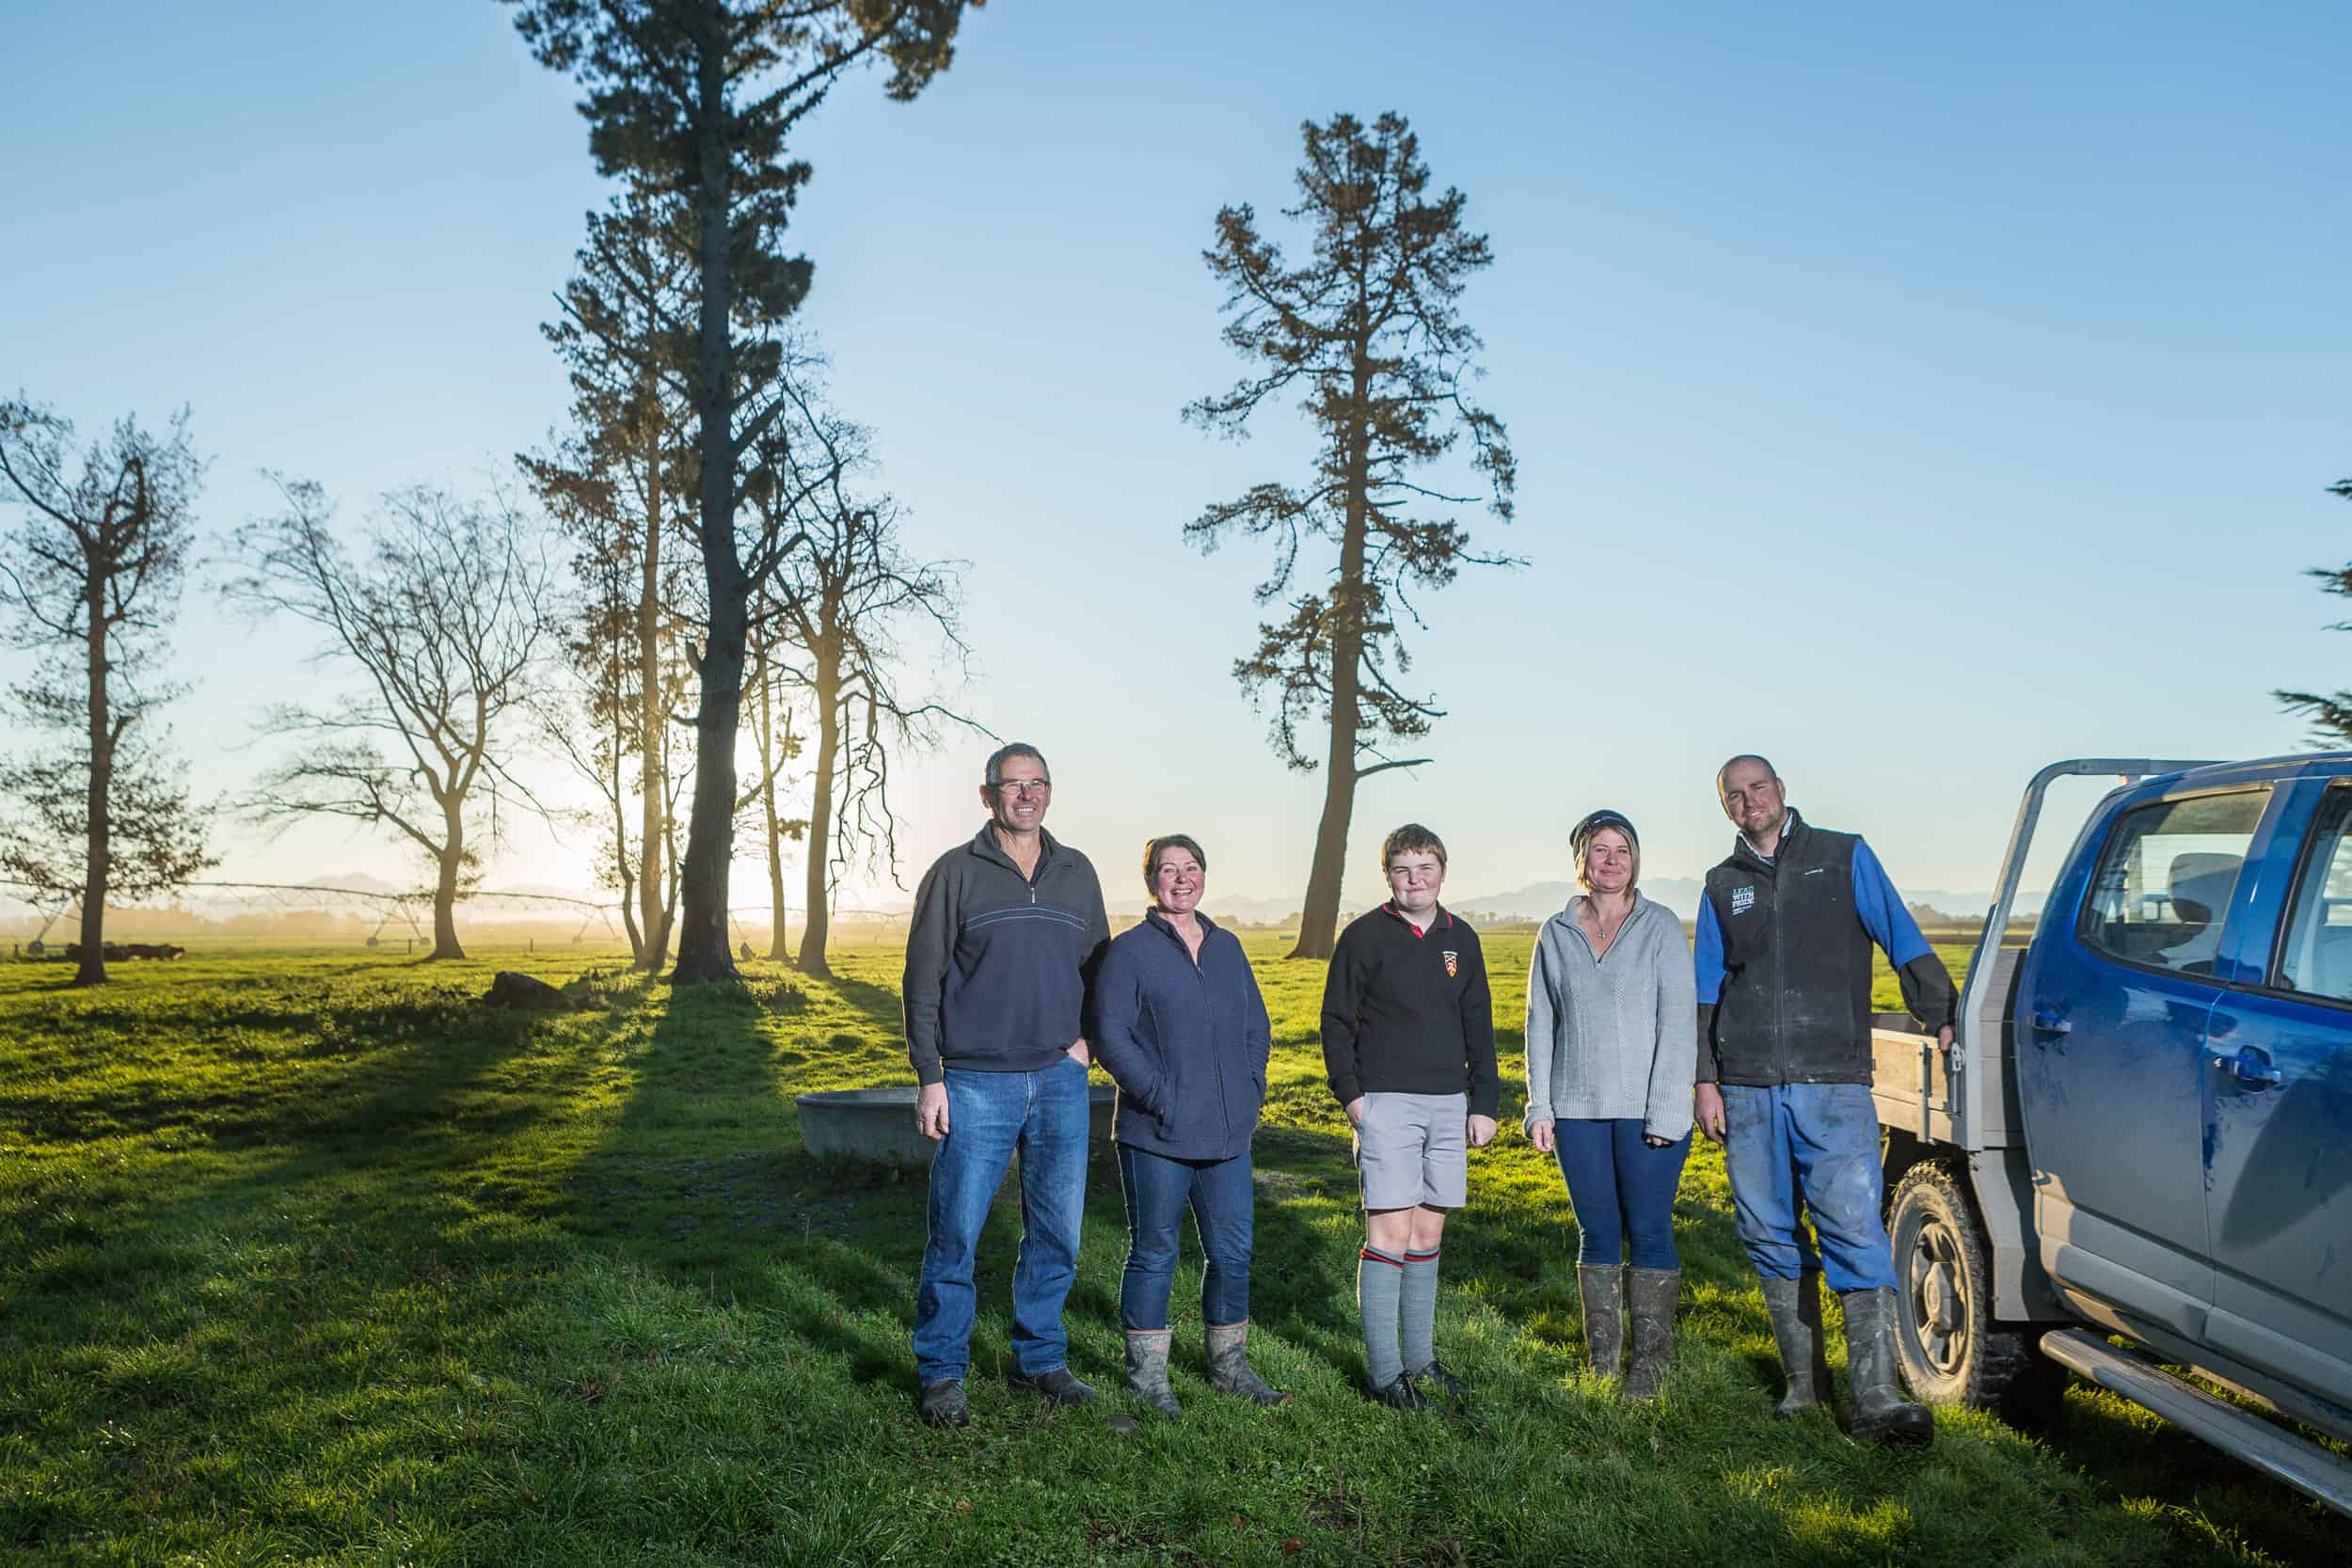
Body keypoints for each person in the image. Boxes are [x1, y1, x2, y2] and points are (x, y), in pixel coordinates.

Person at [1692, 754, 1955, 1444]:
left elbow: (1901, 934)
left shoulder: (1844, 857)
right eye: (1735, 795)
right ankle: (1803, 1387)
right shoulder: (1722, 885)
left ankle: (1874, 1398)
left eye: (1759, 787)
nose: (1750, 801)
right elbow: (1705, 988)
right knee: (1765, 1230)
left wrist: (1940, 1010)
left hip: (1834, 1084)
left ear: (1781, 790)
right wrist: (1705, 1079)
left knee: (1853, 1228)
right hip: (1747, 1088)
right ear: (1727, 809)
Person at [903, 742, 1111, 1428]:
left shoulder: (1077, 872)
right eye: (1012, 784)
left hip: (1059, 1078)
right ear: (988, 793)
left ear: (1050, 791)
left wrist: (1088, 1044)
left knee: (1057, 1231)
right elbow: (922, 978)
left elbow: (1100, 969)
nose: (1025, 794)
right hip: (974, 1080)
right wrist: (931, 1076)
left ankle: (1040, 1359)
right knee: (956, 1230)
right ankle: (941, 1372)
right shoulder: (954, 873)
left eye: (1037, 783)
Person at [1089, 833, 1289, 1417]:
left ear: (1205, 875)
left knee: (1233, 1253)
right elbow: (1111, 1035)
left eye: (1192, 867)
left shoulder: (1227, 946)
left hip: (1228, 1136)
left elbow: (1257, 1025)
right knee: (1154, 1252)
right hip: (1158, 1134)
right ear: (1150, 880)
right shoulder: (1128, 952)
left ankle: (1229, 1369)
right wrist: (1160, 1096)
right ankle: (1148, 1381)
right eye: (1169, 870)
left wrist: (1252, 1088)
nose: (1182, 879)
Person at [1321, 823, 1501, 1411]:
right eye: (1403, 869)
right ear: (1388, 875)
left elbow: (1478, 1026)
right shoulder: (1364, 937)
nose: (1415, 878)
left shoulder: (1461, 939)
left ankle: (1420, 1360)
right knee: (1389, 1236)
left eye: (1425, 867)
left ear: (1442, 873)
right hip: (1386, 1105)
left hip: (1450, 1105)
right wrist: (1354, 1100)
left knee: (1428, 1234)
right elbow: (1336, 1023)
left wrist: (1485, 1103)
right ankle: (1383, 1374)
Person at [1522, 809, 1695, 1399]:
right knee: (1596, 1231)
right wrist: (1539, 1105)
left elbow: (1678, 1027)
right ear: (1582, 861)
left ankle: (1649, 1366)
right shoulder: (1556, 932)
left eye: (1623, 849)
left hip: (1647, 1109)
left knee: (1647, 1228)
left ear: (1635, 858)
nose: (1613, 860)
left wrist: (1668, 1111)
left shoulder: (1661, 926)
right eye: (1600, 849)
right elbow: (1540, 1023)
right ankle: (1603, 1360)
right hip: (1576, 1109)